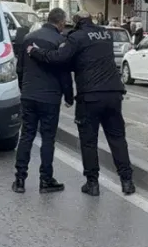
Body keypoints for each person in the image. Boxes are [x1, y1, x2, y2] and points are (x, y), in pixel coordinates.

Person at [28, 11, 135, 197]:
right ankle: (127, 181)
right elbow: (88, 58)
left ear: (76, 23)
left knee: (88, 141)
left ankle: (92, 183)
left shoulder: (76, 38)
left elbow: (59, 58)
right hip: (113, 94)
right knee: (117, 139)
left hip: (90, 97)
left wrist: (35, 52)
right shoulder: (105, 35)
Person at [12, 8, 72, 194]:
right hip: (50, 97)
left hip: (29, 94)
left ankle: (20, 179)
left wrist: (24, 88)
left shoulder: (29, 38)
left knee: (26, 135)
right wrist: (68, 96)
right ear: (61, 22)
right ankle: (46, 179)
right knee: (48, 139)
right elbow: (64, 73)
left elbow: (20, 68)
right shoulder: (60, 42)